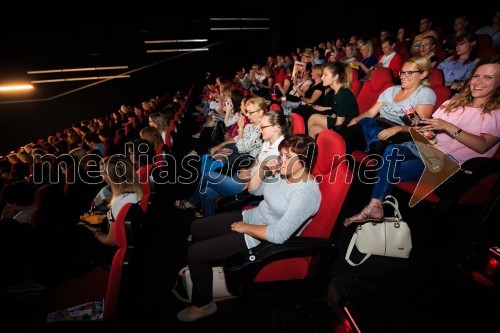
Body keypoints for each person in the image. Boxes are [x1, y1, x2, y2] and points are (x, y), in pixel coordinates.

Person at [176, 135, 321, 322]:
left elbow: (277, 235)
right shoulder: (286, 174)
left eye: (288, 157)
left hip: (259, 240)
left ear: (304, 161)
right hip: (251, 217)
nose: (282, 161)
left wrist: (245, 228)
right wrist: (261, 169)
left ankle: (203, 304)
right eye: (282, 155)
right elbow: (254, 191)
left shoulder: (306, 193)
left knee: (195, 253)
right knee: (196, 227)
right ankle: (203, 272)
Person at [344, 55, 500, 226]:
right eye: (476, 76)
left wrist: (448, 127)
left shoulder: (496, 113)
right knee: (391, 150)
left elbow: (482, 146)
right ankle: (375, 206)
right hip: (428, 149)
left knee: (387, 168)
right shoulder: (453, 103)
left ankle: (374, 206)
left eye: (488, 77)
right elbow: (429, 131)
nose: (478, 82)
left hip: (449, 163)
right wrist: (417, 123)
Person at [176, 111, 293, 217]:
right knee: (205, 194)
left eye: (263, 127)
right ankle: (206, 226)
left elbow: (261, 184)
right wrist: (247, 169)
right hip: (248, 178)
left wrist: (246, 178)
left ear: (276, 128)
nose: (260, 129)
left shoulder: (280, 151)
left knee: (207, 175)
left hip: (251, 190)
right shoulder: (268, 140)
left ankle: (191, 202)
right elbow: (257, 160)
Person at [342, 56, 436, 156]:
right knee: (344, 136)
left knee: (377, 146)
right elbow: (371, 112)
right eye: (402, 72)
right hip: (377, 126)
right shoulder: (392, 90)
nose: (403, 76)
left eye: (409, 73)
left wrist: (397, 128)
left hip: (400, 134)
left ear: (423, 74)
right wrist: (356, 120)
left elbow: (419, 127)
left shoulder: (424, 93)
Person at [84, 156, 142, 246]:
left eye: (103, 173)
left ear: (112, 176)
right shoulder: (139, 189)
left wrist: (95, 231)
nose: (102, 177)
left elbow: (111, 241)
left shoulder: (119, 201)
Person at [307, 62, 359, 139]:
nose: (322, 78)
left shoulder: (343, 93)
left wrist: (331, 133)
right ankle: (311, 149)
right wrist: (329, 116)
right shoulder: (337, 91)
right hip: (341, 124)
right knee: (313, 129)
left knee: (313, 117)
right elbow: (337, 111)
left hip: (346, 129)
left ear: (335, 77)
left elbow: (340, 122)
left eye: (325, 75)